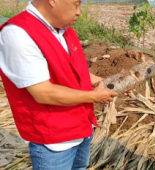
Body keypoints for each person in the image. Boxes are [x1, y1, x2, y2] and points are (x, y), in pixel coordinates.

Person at [0, 0, 118, 169]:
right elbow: (43, 92)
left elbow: (78, 72)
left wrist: (104, 82)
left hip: (82, 127)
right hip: (54, 141)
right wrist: (94, 96)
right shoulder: (18, 34)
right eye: (76, 4)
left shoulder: (64, 31)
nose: (79, 12)